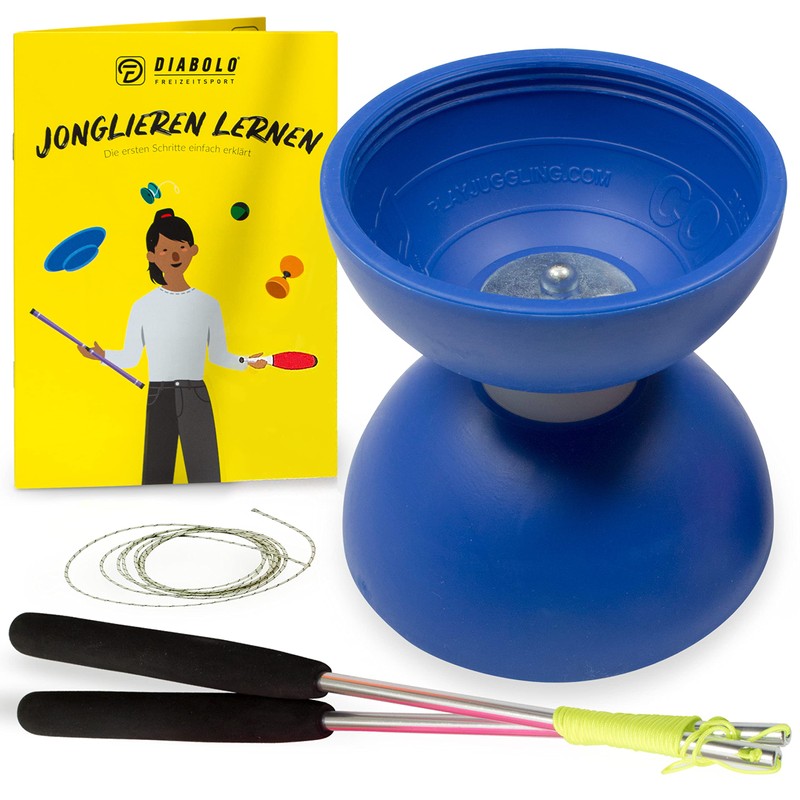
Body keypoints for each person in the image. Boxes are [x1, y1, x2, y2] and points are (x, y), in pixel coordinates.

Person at [79, 208, 266, 483]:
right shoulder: (143, 306)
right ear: (152, 256)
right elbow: (131, 357)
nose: (175, 256)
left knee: (206, 478)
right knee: (155, 477)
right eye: (165, 250)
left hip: (196, 396)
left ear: (193, 250)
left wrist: (246, 361)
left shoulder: (208, 304)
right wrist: (102, 356)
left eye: (181, 247)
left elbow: (218, 355)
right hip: (159, 396)